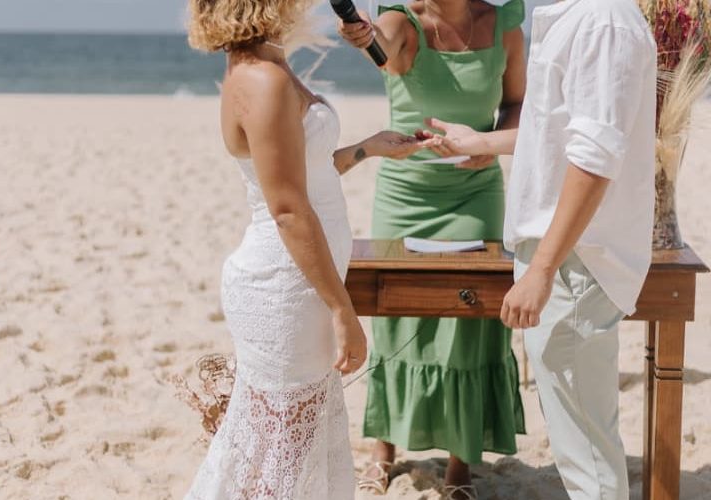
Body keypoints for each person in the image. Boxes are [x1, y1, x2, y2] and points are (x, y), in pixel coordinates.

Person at [182, 1, 428, 498]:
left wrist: (369, 148)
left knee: (286, 447)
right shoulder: (262, 79)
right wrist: (343, 308)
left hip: (298, 282)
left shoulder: (266, 64)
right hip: (284, 289)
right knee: (283, 452)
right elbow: (289, 208)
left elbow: (307, 171)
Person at [422, 0, 657, 498]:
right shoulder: (578, 16)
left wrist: (544, 269)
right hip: (567, 258)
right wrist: (482, 144)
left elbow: (596, 156)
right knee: (582, 441)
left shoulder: (602, 21)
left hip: (574, 262)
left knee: (587, 455)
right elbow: (560, 129)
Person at [338, 1, 527, 497]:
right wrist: (364, 37)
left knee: (469, 321)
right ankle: (383, 451)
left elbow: (517, 103)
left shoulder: (503, 23)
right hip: (406, 194)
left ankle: (460, 466)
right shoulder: (404, 20)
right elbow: (384, 46)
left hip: (476, 188)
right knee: (397, 314)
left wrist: (485, 142)